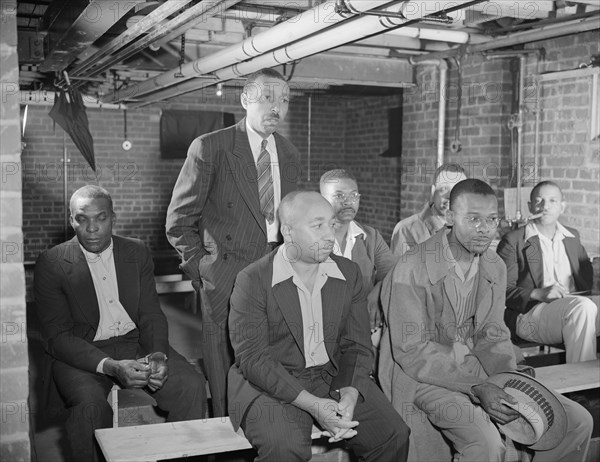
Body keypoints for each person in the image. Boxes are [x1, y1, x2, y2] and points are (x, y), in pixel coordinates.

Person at [379, 179, 592, 462]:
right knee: (486, 443)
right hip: (423, 375)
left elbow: (493, 333)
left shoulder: (493, 265)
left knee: (577, 421)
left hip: (475, 366)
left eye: (491, 219)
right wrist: (477, 387)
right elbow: (411, 350)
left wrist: (508, 379)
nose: (485, 229)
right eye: (473, 219)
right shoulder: (411, 268)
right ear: (451, 218)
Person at [228, 191, 410, 462]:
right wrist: (314, 406)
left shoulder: (348, 273)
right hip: (271, 381)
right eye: (317, 226)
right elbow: (253, 360)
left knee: (393, 435)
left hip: (332, 375)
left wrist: (349, 394)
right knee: (285, 449)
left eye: (332, 225)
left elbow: (357, 346)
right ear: (288, 232)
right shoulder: (253, 279)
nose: (329, 234)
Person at [34, 185, 207, 462]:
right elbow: (57, 337)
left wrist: (158, 355)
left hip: (134, 342)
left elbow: (151, 313)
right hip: (82, 353)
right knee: (90, 408)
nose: (92, 228)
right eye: (82, 218)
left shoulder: (135, 252)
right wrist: (111, 367)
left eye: (100, 218)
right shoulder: (52, 263)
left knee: (191, 385)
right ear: (71, 221)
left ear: (113, 217)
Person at [165, 68, 300, 416]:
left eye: (283, 100)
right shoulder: (211, 147)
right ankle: (228, 443)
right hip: (226, 276)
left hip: (277, 271)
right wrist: (204, 272)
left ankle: (270, 432)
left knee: (272, 365)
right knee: (226, 374)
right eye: (268, 97)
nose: (277, 107)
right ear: (245, 100)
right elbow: (179, 221)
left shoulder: (288, 153)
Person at [497, 180, 599, 363]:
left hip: (573, 308)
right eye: (539, 200)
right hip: (530, 314)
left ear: (562, 206)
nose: (545, 206)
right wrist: (538, 293)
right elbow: (500, 291)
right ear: (530, 206)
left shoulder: (572, 236)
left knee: (584, 307)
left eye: (552, 201)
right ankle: (579, 384)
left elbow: (586, 280)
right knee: (583, 308)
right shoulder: (514, 240)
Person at [319, 169, 397, 341]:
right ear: (322, 199)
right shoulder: (312, 239)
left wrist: (378, 293)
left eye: (354, 195)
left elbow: (394, 272)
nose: (349, 202)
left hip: (362, 329)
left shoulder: (370, 236)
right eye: (339, 196)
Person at [391, 163, 466, 256]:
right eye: (444, 188)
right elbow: (402, 270)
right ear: (433, 191)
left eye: (457, 189)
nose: (450, 196)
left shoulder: (469, 228)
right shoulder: (406, 230)